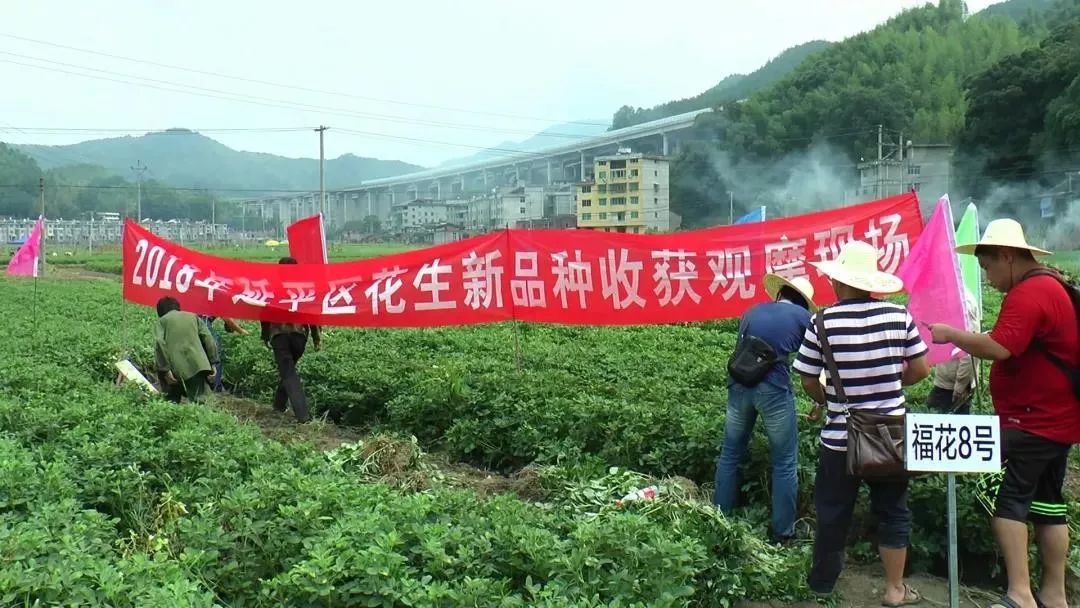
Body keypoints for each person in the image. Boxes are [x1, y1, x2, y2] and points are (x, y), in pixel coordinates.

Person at [929, 219, 1080, 608]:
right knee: (1048, 506)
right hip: (1056, 421)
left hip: (1031, 420)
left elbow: (1000, 346)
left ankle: (1019, 594)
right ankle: (1054, 594)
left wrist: (952, 334)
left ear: (1008, 257)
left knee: (1008, 502)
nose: (990, 278)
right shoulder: (1053, 285)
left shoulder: (1031, 294)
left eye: (989, 268)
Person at [793, 240, 930, 607]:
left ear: (839, 282)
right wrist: (887, 387)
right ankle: (895, 589)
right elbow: (920, 369)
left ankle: (822, 586)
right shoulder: (898, 317)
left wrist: (830, 400)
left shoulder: (821, 321)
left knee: (833, 510)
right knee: (893, 511)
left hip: (841, 439)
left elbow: (808, 379)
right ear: (871, 282)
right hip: (892, 436)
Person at [714, 273, 817, 544]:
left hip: (738, 385)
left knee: (730, 454)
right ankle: (782, 533)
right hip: (773, 391)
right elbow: (815, 363)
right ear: (803, 302)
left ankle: (720, 519)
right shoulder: (805, 319)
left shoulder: (752, 311)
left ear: (780, 294)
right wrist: (820, 401)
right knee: (784, 462)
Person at [260, 256, 321, 423]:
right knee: (288, 369)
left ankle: (303, 415)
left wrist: (265, 335)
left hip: (279, 335)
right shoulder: (304, 289)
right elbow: (311, 313)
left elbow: (265, 313)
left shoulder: (273, 288)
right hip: (299, 336)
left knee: (288, 372)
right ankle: (278, 405)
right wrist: (316, 337)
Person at [154, 296, 219, 403]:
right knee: (201, 403)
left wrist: (165, 370)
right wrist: (213, 363)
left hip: (174, 369)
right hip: (197, 366)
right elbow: (209, 339)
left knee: (170, 402)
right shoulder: (193, 317)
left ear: (160, 311)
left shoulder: (162, 321)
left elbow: (159, 344)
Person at [927, 287, 980, 415]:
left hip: (953, 386)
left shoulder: (962, 303)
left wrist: (960, 386)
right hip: (949, 381)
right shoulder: (951, 297)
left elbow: (970, 348)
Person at [198, 315, 249, 392]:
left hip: (193, 320)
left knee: (203, 351)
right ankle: (216, 386)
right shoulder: (222, 303)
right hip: (202, 321)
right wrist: (241, 331)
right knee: (216, 350)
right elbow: (227, 318)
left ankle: (205, 383)